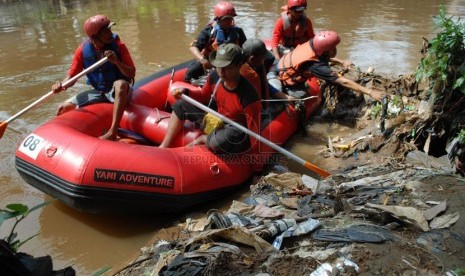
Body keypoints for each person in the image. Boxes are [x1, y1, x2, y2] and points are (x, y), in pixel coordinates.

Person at [160, 43, 261, 163]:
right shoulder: (214, 76)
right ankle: (164, 146)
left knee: (220, 141)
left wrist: (257, 170)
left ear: (239, 66)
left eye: (227, 67)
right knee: (180, 105)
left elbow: (254, 134)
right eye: (219, 67)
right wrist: (186, 93)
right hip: (217, 117)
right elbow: (203, 96)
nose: (221, 72)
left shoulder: (249, 95)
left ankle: (203, 139)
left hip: (235, 129)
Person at [52, 15, 136, 140]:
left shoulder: (119, 45)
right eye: (106, 31)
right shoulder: (82, 50)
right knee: (62, 108)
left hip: (118, 91)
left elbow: (131, 73)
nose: (110, 33)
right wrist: (61, 85)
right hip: (100, 91)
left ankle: (113, 131)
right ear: (95, 36)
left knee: (120, 84)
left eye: (110, 30)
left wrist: (117, 62)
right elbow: (72, 77)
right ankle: (58, 138)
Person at [274, 30, 386, 102]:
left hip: (283, 64)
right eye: (334, 48)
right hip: (285, 80)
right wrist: (370, 92)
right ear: (326, 50)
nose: (336, 50)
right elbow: (343, 81)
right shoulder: (315, 66)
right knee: (302, 94)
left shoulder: (313, 44)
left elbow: (322, 57)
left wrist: (341, 62)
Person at [184, 1, 247, 83]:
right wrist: (203, 60)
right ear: (218, 20)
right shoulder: (209, 31)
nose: (230, 21)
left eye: (231, 18)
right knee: (190, 73)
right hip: (211, 62)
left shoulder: (238, 32)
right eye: (226, 19)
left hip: (230, 63)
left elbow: (245, 50)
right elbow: (193, 47)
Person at [241, 39, 296, 108]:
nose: (264, 60)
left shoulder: (256, 65)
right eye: (262, 58)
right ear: (252, 59)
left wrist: (285, 97)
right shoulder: (240, 75)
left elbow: (265, 85)